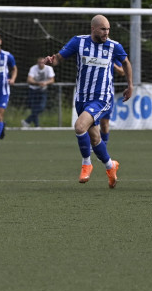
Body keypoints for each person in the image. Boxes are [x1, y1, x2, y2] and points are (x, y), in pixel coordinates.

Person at [43, 15, 133, 188]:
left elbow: (126, 64)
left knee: (79, 126)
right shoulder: (79, 42)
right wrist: (52, 61)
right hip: (82, 97)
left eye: (108, 29)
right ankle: (110, 166)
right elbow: (60, 58)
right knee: (95, 137)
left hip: (102, 97)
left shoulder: (114, 46)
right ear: (93, 29)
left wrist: (130, 86)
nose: (106, 33)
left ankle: (86, 163)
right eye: (103, 29)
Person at [22, 57, 55, 128]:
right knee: (34, 108)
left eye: (42, 63)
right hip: (33, 90)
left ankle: (27, 121)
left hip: (43, 90)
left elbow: (52, 80)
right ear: (37, 63)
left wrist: (45, 83)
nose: (41, 64)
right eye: (39, 63)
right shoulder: (33, 68)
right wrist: (38, 83)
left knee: (42, 107)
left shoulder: (49, 68)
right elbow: (29, 80)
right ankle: (37, 125)